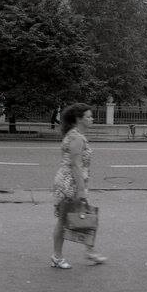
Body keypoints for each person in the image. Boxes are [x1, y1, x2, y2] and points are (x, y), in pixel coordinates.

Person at [50, 103, 107, 269]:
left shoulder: (74, 135)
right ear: (79, 119)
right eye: (88, 117)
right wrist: (82, 190)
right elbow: (75, 165)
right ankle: (57, 257)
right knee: (64, 221)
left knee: (85, 215)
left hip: (71, 181)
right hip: (70, 184)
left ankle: (90, 251)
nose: (92, 119)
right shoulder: (76, 138)